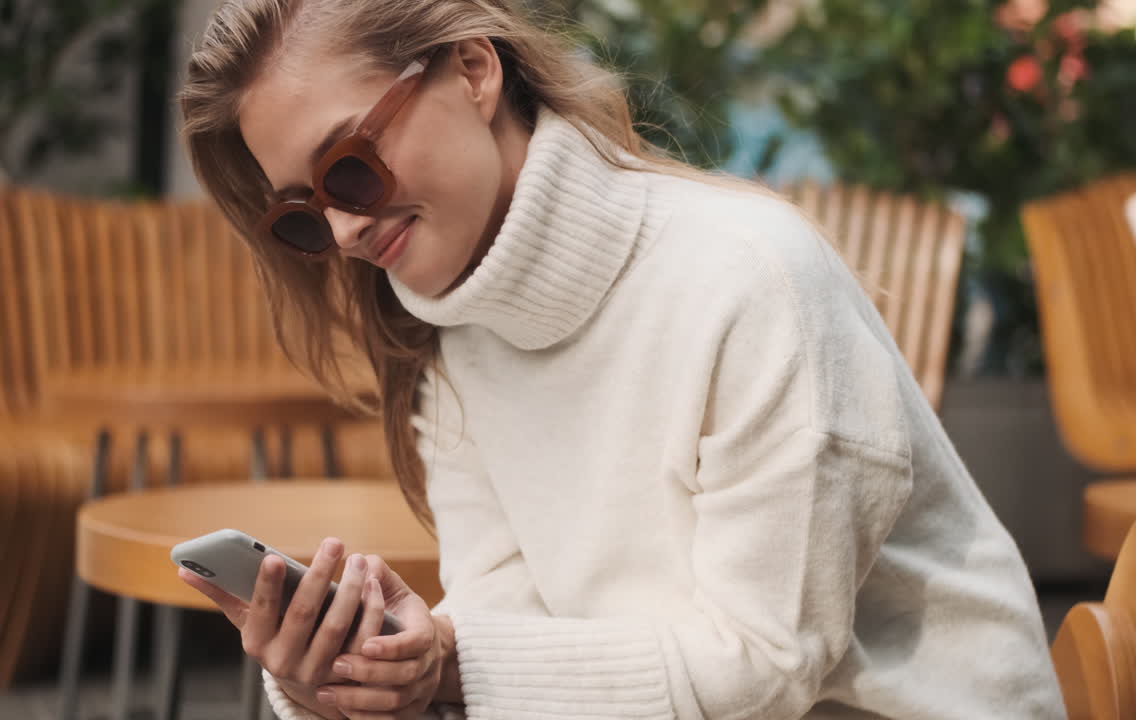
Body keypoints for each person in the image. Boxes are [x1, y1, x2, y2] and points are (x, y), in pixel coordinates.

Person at [174, 1, 1067, 718]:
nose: (344, 227)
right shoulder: (447, 342)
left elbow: (761, 668)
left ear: (475, 70)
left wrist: (447, 664)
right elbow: (506, 634)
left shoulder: (750, 281)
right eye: (302, 214)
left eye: (350, 166)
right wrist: (362, 680)